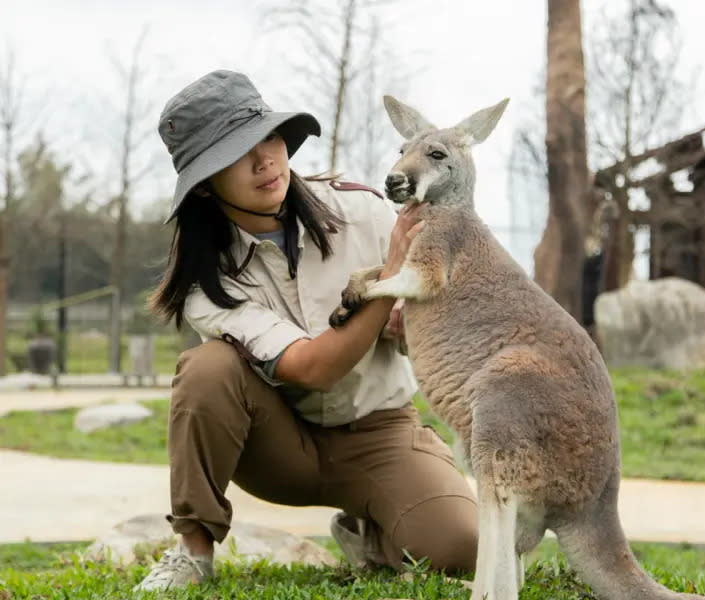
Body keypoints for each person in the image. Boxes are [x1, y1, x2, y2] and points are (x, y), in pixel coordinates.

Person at [133, 70, 478, 592]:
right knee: (207, 368)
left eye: (268, 137)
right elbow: (313, 369)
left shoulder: (362, 210)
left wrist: (414, 318)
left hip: (380, 430)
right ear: (204, 185)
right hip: (278, 444)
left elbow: (439, 317)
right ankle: (193, 549)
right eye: (235, 153)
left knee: (462, 548)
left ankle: (370, 529)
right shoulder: (208, 283)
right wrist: (386, 283)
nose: (264, 159)